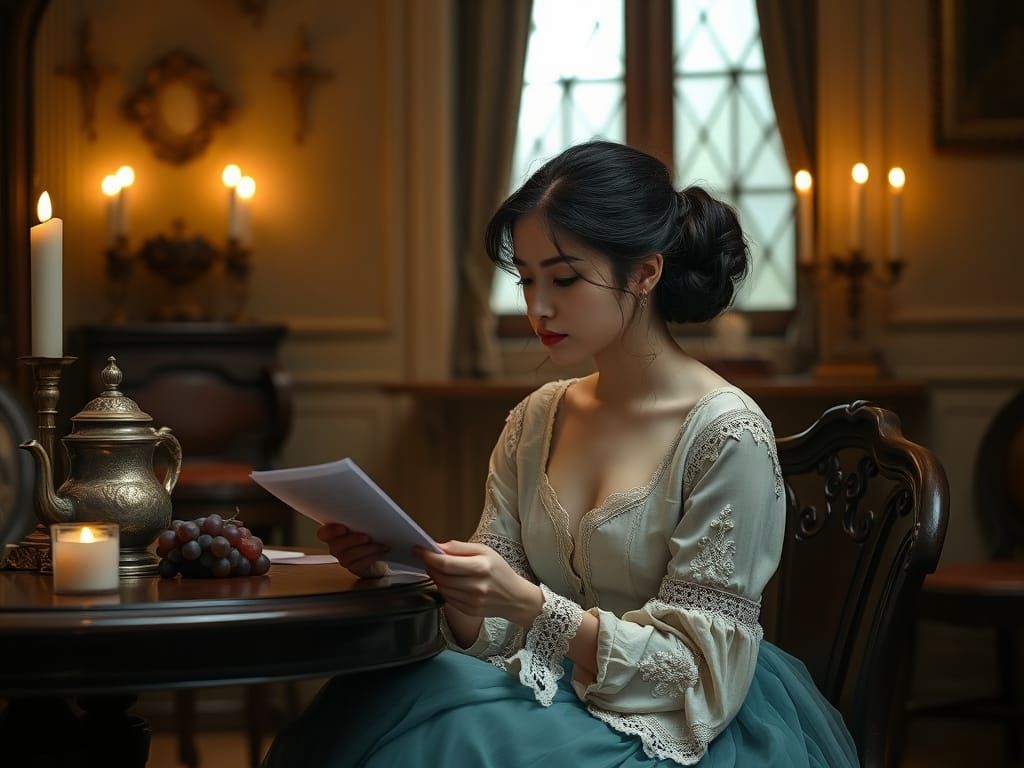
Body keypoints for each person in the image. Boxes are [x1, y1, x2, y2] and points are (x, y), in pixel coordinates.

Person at [262, 141, 858, 767]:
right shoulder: (535, 421)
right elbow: (491, 635)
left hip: (676, 732)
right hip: (547, 699)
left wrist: (527, 602)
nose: (538, 307)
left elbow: (694, 675)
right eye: (527, 279)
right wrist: (421, 573)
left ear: (646, 273)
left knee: (432, 741)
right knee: (369, 702)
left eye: (565, 277)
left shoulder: (727, 434)